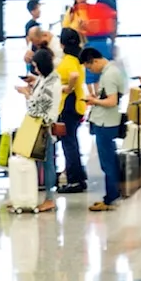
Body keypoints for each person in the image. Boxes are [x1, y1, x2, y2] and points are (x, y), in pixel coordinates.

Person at [80, 47, 125, 211]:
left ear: (95, 60)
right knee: (108, 161)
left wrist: (94, 102)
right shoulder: (111, 71)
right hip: (105, 121)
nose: (91, 70)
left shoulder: (109, 75)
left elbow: (112, 101)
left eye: (90, 67)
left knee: (108, 162)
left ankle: (111, 198)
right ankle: (110, 196)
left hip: (106, 123)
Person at [17, 49, 62, 213]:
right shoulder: (48, 78)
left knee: (47, 163)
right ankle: (31, 195)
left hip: (43, 127)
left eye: (36, 67)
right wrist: (35, 82)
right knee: (38, 162)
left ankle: (50, 198)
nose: (35, 70)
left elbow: (38, 108)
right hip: (38, 126)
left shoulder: (51, 85)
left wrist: (27, 94)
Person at [55, 30, 89, 194]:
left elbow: (73, 76)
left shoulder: (68, 61)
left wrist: (67, 88)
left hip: (69, 104)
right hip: (78, 103)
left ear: (62, 44)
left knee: (68, 144)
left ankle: (74, 180)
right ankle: (79, 177)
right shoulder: (77, 59)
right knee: (72, 142)